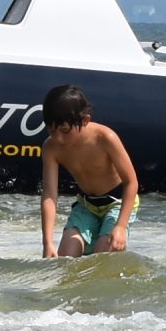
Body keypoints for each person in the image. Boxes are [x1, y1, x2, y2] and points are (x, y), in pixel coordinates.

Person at [36, 84, 139, 256]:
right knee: (65, 256)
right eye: (52, 130)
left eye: (65, 131)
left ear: (85, 121)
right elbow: (49, 195)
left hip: (117, 202)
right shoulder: (51, 147)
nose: (58, 138)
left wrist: (120, 226)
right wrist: (47, 243)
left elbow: (131, 182)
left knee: (102, 257)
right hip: (86, 205)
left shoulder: (105, 138)